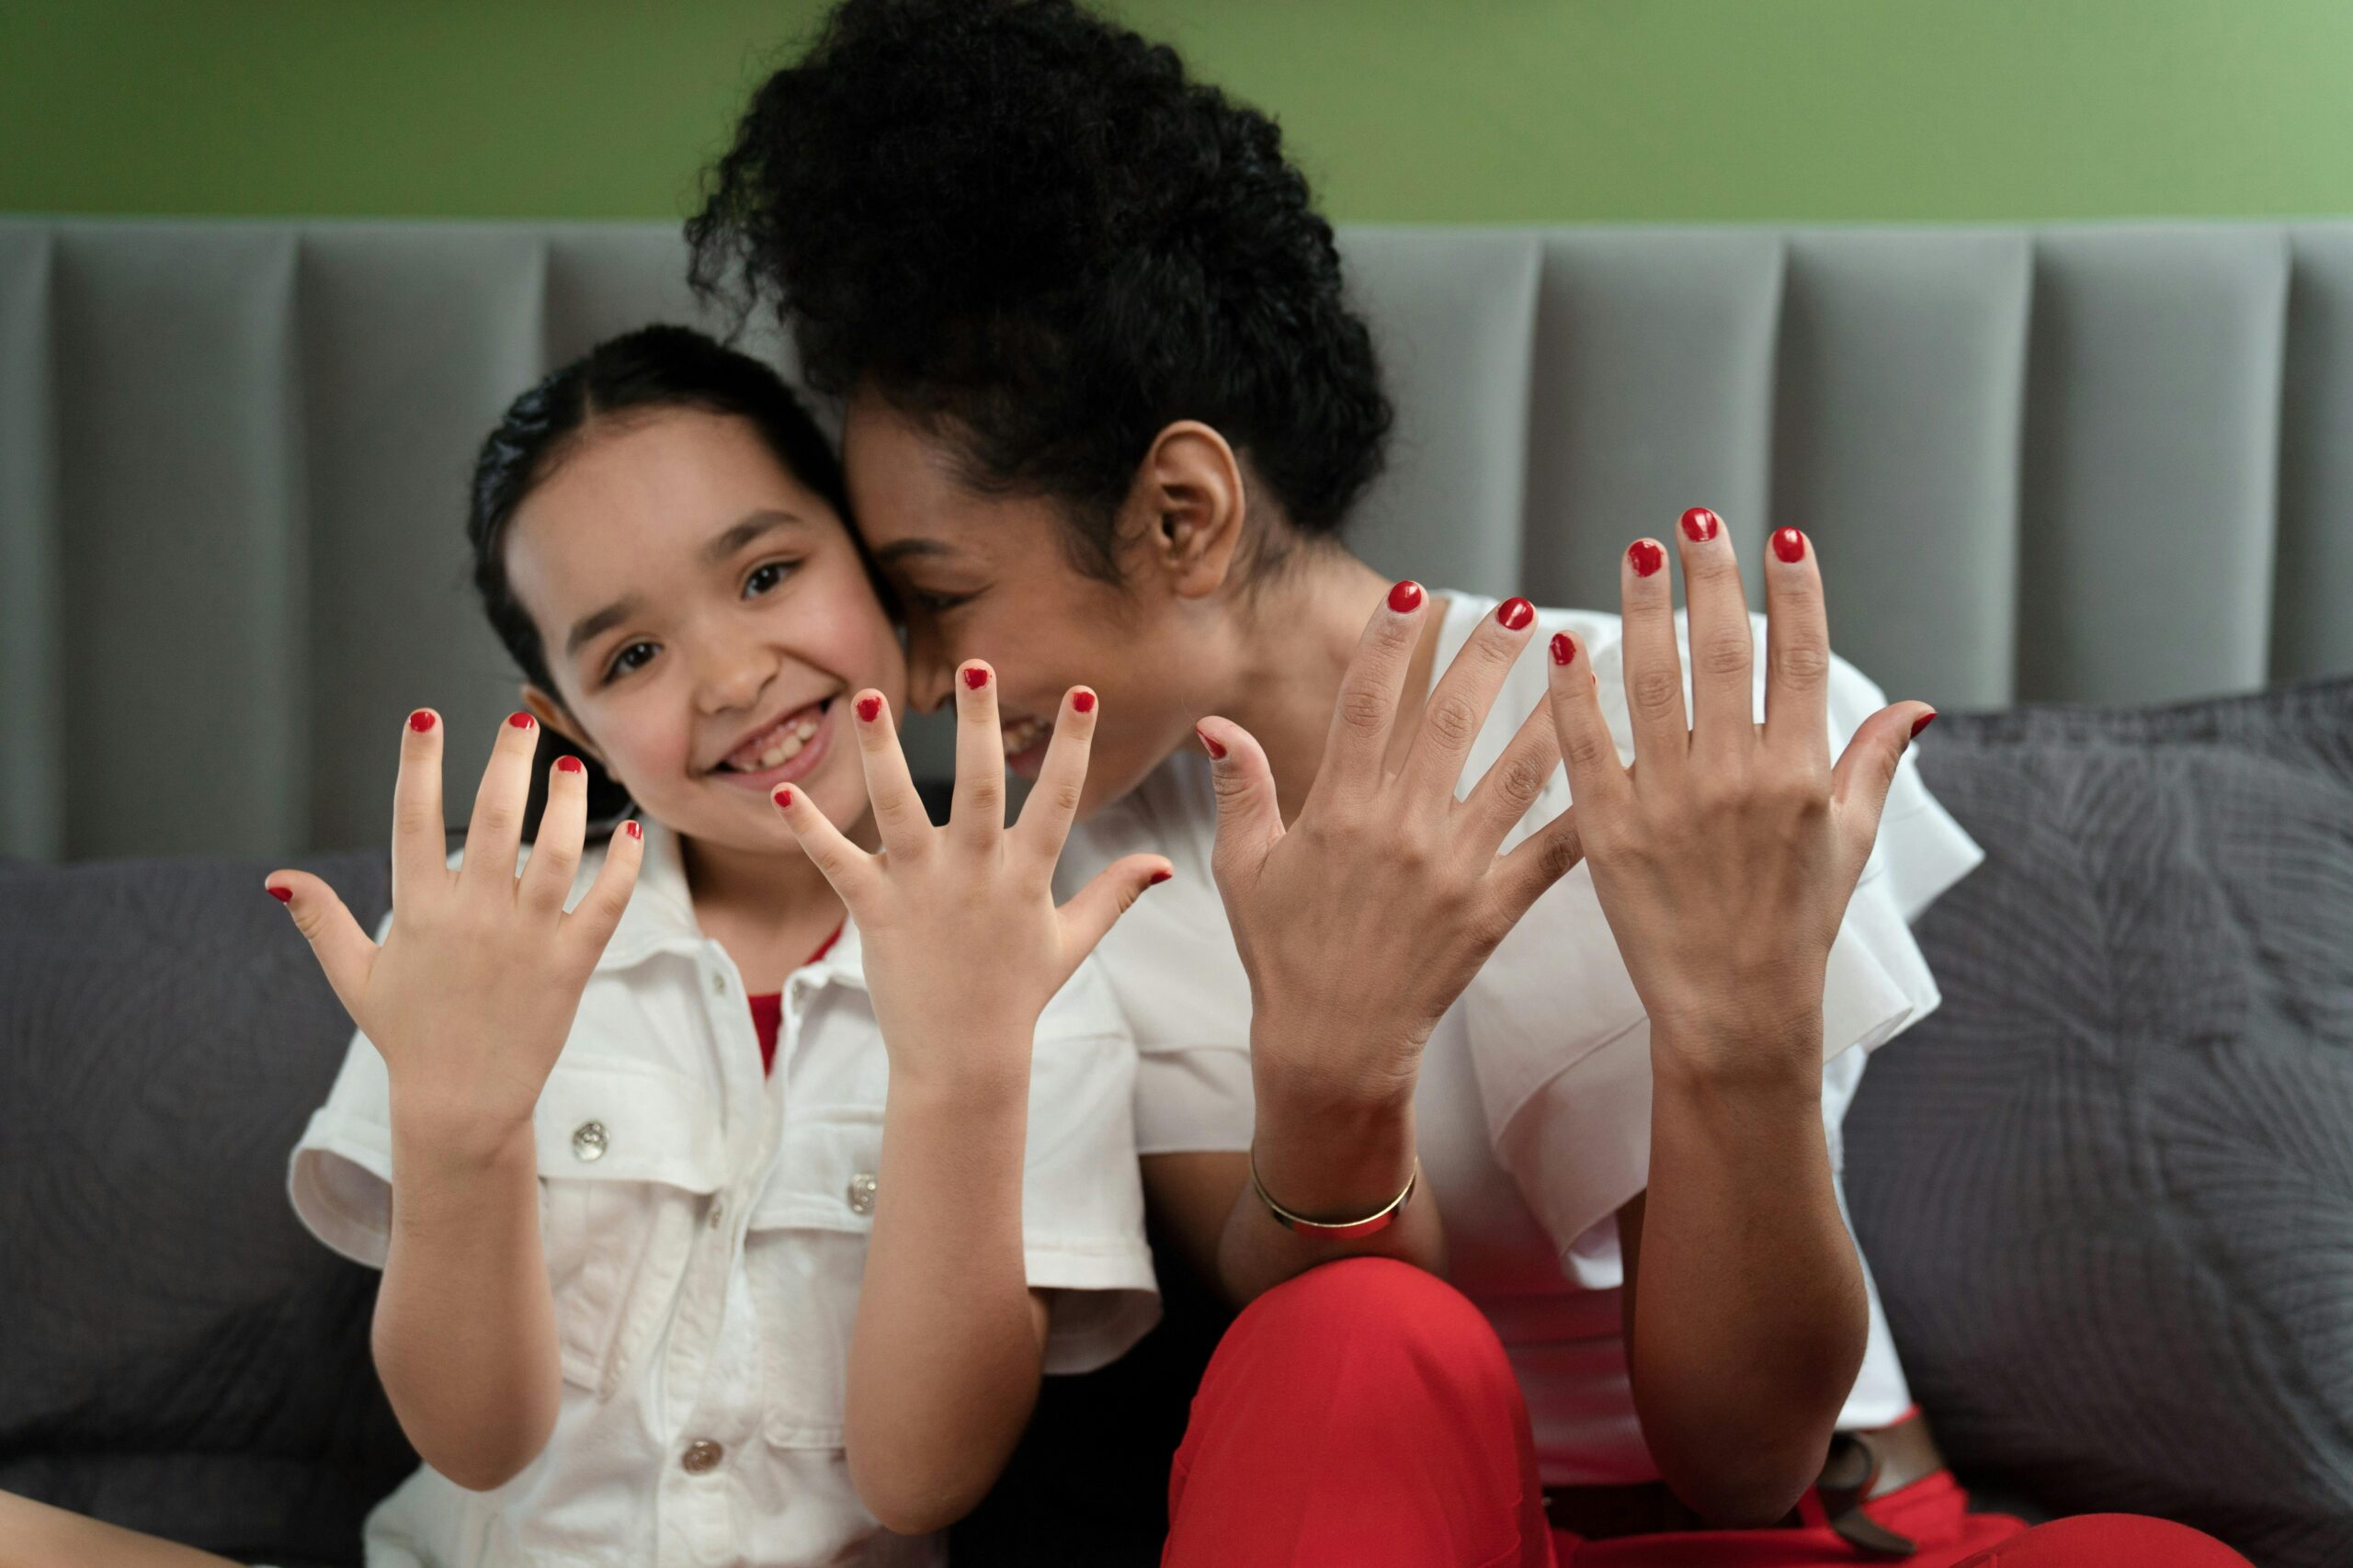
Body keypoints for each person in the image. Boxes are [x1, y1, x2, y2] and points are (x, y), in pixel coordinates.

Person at [688, 5, 2257, 1564]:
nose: (902, 675)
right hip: (1445, 1526)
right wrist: (1334, 1068)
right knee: (1348, 1338)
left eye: (939, 593)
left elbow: (1737, 1453)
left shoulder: (1672, 735)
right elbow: (1349, 1377)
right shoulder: (1074, 879)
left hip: (1824, 1521)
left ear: (1182, 514)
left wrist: (1739, 1036)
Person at [0, 324, 1168, 1568]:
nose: (729, 677)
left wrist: (958, 1075)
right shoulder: (477, 938)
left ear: (875, 568)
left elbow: (921, 1476)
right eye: (634, 654)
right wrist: (464, 1131)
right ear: (576, 728)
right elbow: (476, 1440)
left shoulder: (1031, 965)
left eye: (767, 575)